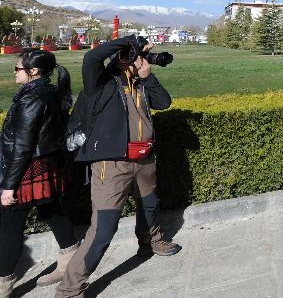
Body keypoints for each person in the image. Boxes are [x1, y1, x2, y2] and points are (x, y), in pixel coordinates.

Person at [55, 35, 180, 298]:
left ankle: (151, 242)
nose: (140, 61)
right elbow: (91, 57)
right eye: (135, 57)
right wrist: (128, 43)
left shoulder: (140, 84)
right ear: (123, 58)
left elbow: (164, 102)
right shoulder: (100, 83)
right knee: (104, 228)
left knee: (149, 205)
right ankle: (70, 289)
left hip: (144, 158)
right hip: (111, 165)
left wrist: (147, 76)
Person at [0, 49, 78, 296]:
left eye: (17, 68)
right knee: (50, 209)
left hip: (28, 167)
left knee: (10, 224)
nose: (15, 72)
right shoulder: (50, 90)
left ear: (33, 71)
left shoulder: (31, 97)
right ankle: (70, 257)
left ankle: (3, 281)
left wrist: (8, 186)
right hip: (47, 163)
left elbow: (23, 145)